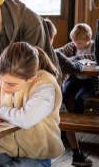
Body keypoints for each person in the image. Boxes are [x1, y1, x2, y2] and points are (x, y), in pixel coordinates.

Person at [0, 42, 64, 167]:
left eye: (11, 84)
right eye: (1, 79)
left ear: (30, 79)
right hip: (3, 149)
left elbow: (25, 119)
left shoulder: (45, 86)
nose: (3, 87)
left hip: (36, 153)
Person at [45, 18, 93, 167]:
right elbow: (75, 68)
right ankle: (77, 153)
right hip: (51, 97)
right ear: (51, 37)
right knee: (63, 109)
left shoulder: (27, 50)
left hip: (34, 101)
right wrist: (77, 60)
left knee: (69, 101)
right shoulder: (55, 54)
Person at [56, 23, 96, 115]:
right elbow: (57, 52)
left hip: (89, 80)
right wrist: (63, 56)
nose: (76, 45)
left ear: (88, 40)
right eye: (74, 42)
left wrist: (75, 58)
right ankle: (63, 119)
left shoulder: (94, 47)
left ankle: (78, 119)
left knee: (80, 97)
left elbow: (95, 57)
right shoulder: (72, 46)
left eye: (79, 43)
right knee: (63, 93)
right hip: (75, 78)